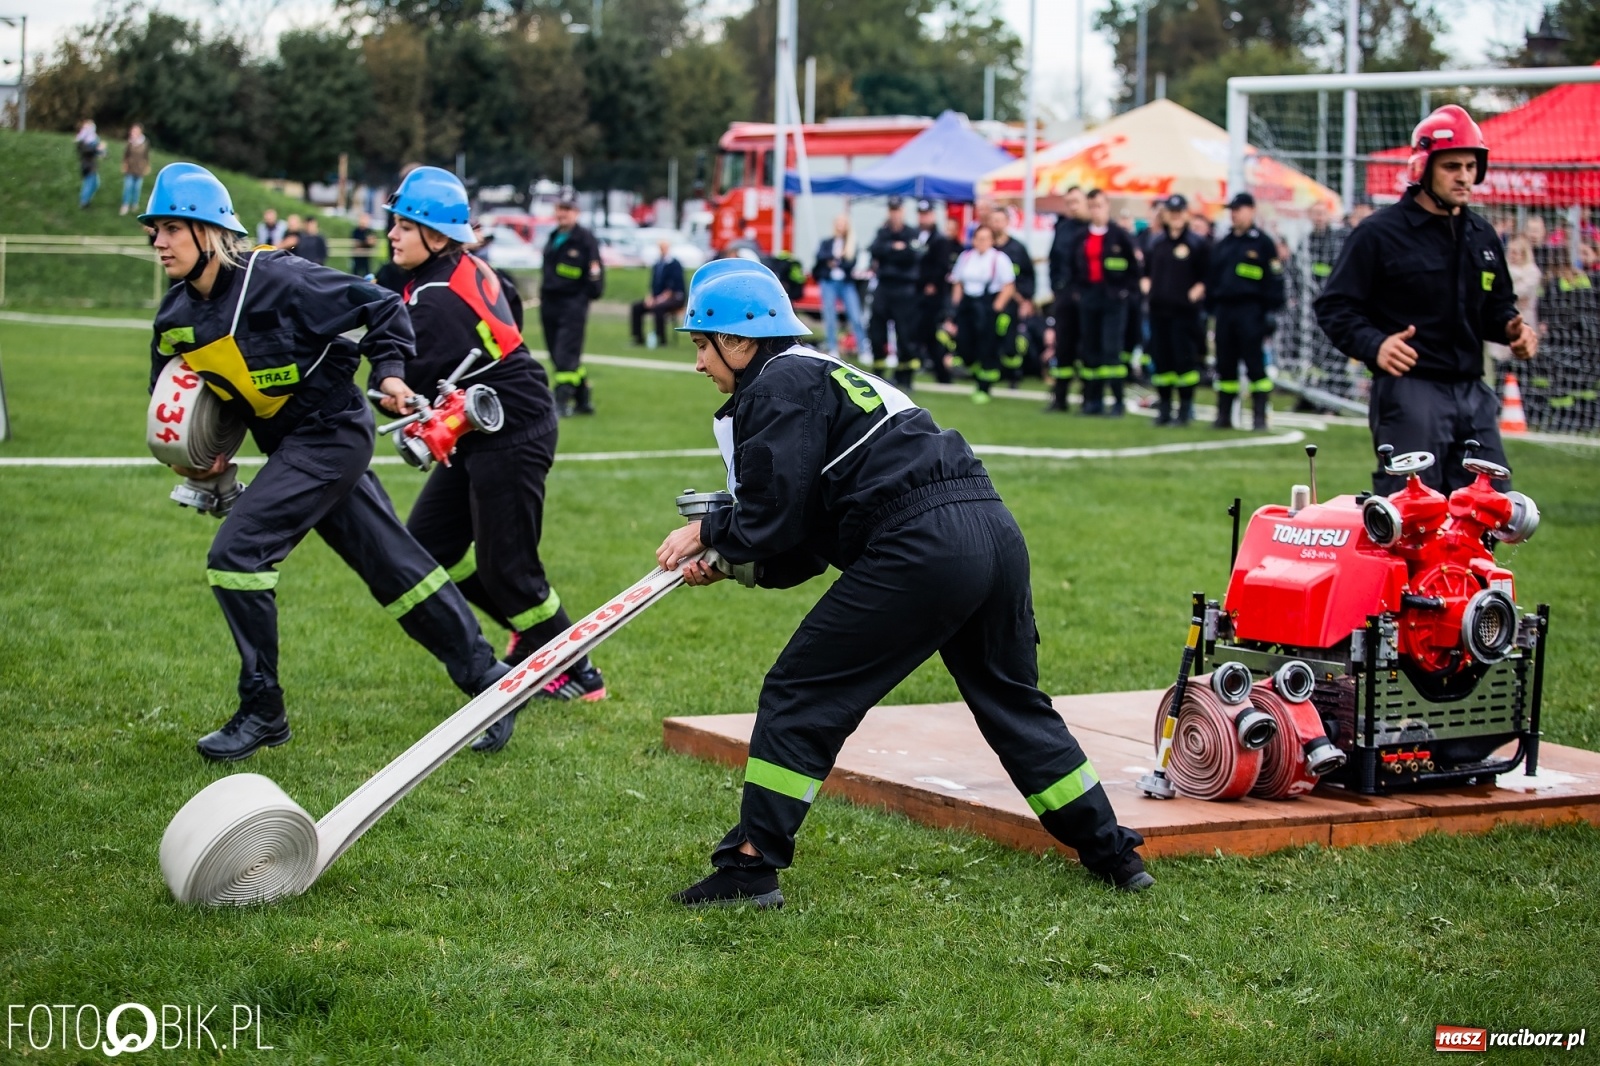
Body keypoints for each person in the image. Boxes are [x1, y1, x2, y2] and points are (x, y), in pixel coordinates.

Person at [654, 260, 1153, 909]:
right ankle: (1112, 852)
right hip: (991, 528)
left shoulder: (776, 385)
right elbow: (799, 536)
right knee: (1011, 697)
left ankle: (751, 868)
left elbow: (772, 514)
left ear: (742, 341)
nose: (699, 364)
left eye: (701, 343)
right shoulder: (820, 374)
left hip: (922, 543)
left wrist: (710, 531)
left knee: (801, 690)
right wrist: (730, 563)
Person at [141, 162, 506, 761]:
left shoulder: (278, 278)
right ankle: (491, 683)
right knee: (396, 569)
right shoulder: (174, 319)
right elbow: (170, 407)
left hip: (333, 433)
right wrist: (196, 459)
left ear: (209, 232)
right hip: (291, 448)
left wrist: (388, 374)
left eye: (171, 228)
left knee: (237, 554)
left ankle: (263, 710)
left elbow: (383, 306)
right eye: (153, 230)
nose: (158, 242)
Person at [383, 166, 604, 752]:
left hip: (515, 429)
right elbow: (506, 303)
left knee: (511, 569)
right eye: (395, 222)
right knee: (427, 547)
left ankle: (578, 672)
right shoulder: (448, 272)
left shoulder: (433, 299)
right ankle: (529, 636)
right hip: (479, 429)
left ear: (439, 236)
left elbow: (411, 384)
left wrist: (386, 386)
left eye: (407, 225)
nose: (393, 234)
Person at [1316, 105, 1536, 495]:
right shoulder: (1378, 234)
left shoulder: (1482, 236)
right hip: (1409, 392)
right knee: (1413, 516)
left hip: (1473, 390)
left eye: (1470, 166)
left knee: (1489, 509)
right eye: (1452, 166)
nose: (1464, 176)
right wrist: (1375, 344)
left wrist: (1511, 329)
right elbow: (1334, 306)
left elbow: (1495, 308)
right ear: (1423, 167)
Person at [1206, 191, 1284, 430]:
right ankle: (1224, 415)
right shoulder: (1225, 243)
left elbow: (1274, 279)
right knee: (1225, 363)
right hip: (1225, 310)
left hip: (1251, 310)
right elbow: (1213, 277)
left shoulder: (1262, 243)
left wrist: (1271, 311)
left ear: (1251, 210)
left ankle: (1259, 416)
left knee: (1254, 363)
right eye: (1232, 210)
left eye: (1238, 210)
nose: (1234, 215)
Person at [1062, 189, 1141, 416]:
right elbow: (1072, 268)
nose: (1096, 210)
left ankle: (1117, 401)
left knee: (1111, 351)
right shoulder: (1082, 237)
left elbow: (1134, 270)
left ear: (1107, 206)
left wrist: (1124, 292)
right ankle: (1092, 400)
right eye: (1092, 206)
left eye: (1099, 205)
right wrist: (1078, 292)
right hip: (1089, 298)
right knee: (1090, 350)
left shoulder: (1120, 236)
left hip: (1113, 300)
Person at [1142, 193, 1209, 426]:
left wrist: (1195, 292)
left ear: (1186, 214)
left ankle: (1185, 409)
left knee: (1184, 362)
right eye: (1172, 212)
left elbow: (1206, 275)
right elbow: (1146, 272)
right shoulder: (1156, 243)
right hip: (1159, 311)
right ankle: (1164, 409)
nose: (1176, 216)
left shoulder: (1196, 243)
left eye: (1179, 212)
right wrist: (1148, 287)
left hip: (1185, 313)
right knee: (1162, 362)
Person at [539, 191, 604, 416]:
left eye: (567, 209)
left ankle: (561, 401)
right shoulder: (553, 236)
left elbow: (595, 274)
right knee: (557, 354)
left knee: (566, 353)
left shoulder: (585, 239)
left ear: (576, 212)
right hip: (550, 303)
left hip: (573, 304)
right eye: (560, 209)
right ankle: (583, 399)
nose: (562, 214)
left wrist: (584, 297)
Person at [947, 224, 1016, 403]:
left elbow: (1008, 286)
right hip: (968, 305)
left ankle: (984, 386)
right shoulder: (966, 257)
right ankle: (970, 367)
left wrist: (996, 308)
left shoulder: (999, 259)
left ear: (992, 240)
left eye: (985, 238)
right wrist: (955, 308)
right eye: (978, 238)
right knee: (965, 343)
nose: (981, 242)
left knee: (987, 347)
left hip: (987, 305)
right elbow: (958, 282)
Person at [868, 196, 922, 387]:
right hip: (884, 288)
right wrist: (894, 248)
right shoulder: (882, 232)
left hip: (904, 290)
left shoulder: (912, 232)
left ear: (903, 211)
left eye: (897, 210)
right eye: (891, 210)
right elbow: (874, 250)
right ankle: (879, 375)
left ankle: (905, 377)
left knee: (905, 334)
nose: (894, 214)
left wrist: (891, 253)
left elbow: (912, 255)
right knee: (877, 332)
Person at [1046, 186, 1090, 411]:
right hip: (1064, 297)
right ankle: (1059, 397)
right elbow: (1054, 259)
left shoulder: (1092, 229)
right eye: (1069, 202)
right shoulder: (1063, 228)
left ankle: (1088, 398)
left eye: (1077, 202)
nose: (1073, 206)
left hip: (1086, 297)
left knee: (1087, 348)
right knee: (1063, 347)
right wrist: (1057, 287)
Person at [988, 207, 1036, 387]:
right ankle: (993, 374)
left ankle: (1014, 375)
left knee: (1010, 340)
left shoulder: (1017, 248)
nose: (996, 224)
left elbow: (1028, 275)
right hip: (991, 301)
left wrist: (1026, 298)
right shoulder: (987, 246)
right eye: (993, 220)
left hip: (1012, 302)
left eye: (999, 220)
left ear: (1007, 222)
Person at [812, 215, 870, 360]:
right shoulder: (827, 242)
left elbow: (850, 263)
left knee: (855, 315)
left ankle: (863, 348)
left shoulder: (850, 244)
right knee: (830, 315)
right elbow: (820, 257)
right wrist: (834, 257)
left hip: (845, 283)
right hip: (829, 282)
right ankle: (832, 347)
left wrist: (835, 261)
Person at [914, 204, 961, 384]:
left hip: (932, 296)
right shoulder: (916, 235)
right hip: (917, 293)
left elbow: (942, 266)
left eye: (926, 214)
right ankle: (935, 369)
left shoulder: (940, 239)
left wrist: (932, 283)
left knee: (930, 334)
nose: (923, 218)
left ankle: (942, 372)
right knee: (922, 334)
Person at [1484, 234, 1541, 374]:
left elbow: (1515, 293)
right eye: (1511, 251)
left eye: (1517, 252)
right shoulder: (1503, 269)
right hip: (1503, 320)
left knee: (1522, 366)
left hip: (1523, 319)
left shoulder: (1532, 272)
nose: (1513, 255)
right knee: (1500, 367)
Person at [631, 240, 687, 348]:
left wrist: (661, 298)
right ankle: (638, 338)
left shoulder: (674, 264)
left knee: (659, 308)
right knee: (636, 307)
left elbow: (674, 285)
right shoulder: (657, 264)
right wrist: (650, 297)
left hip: (675, 297)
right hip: (658, 297)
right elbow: (653, 285)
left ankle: (661, 339)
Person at [119, 124, 150, 217]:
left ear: (140, 132)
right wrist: (124, 165)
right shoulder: (130, 142)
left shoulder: (145, 142)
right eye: (132, 131)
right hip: (130, 168)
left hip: (139, 169)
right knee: (128, 187)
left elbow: (146, 156)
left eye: (135, 131)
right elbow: (126, 154)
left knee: (137, 188)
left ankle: (134, 204)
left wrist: (147, 166)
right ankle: (125, 205)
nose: (133, 133)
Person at [75, 120, 105, 209]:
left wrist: (102, 152)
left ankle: (86, 200)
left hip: (93, 165)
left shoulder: (94, 139)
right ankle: (84, 203)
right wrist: (97, 148)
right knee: (89, 184)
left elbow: (100, 150)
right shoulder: (82, 140)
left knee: (95, 184)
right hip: (87, 166)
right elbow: (87, 150)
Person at [349, 212, 378, 277]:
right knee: (355, 273)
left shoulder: (370, 231)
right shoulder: (355, 231)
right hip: (357, 256)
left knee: (367, 273)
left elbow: (372, 242)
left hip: (366, 256)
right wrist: (365, 242)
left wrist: (367, 242)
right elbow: (356, 243)